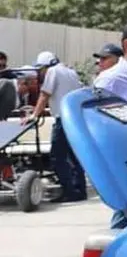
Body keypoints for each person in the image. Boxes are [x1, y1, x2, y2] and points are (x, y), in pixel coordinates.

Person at [22, 51, 88, 202]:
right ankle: (80, 190)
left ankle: (69, 192)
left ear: (47, 65)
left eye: (41, 69)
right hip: (75, 120)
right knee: (74, 157)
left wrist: (34, 115)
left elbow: (45, 94)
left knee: (57, 157)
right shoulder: (71, 72)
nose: (41, 73)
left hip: (62, 120)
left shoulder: (53, 71)